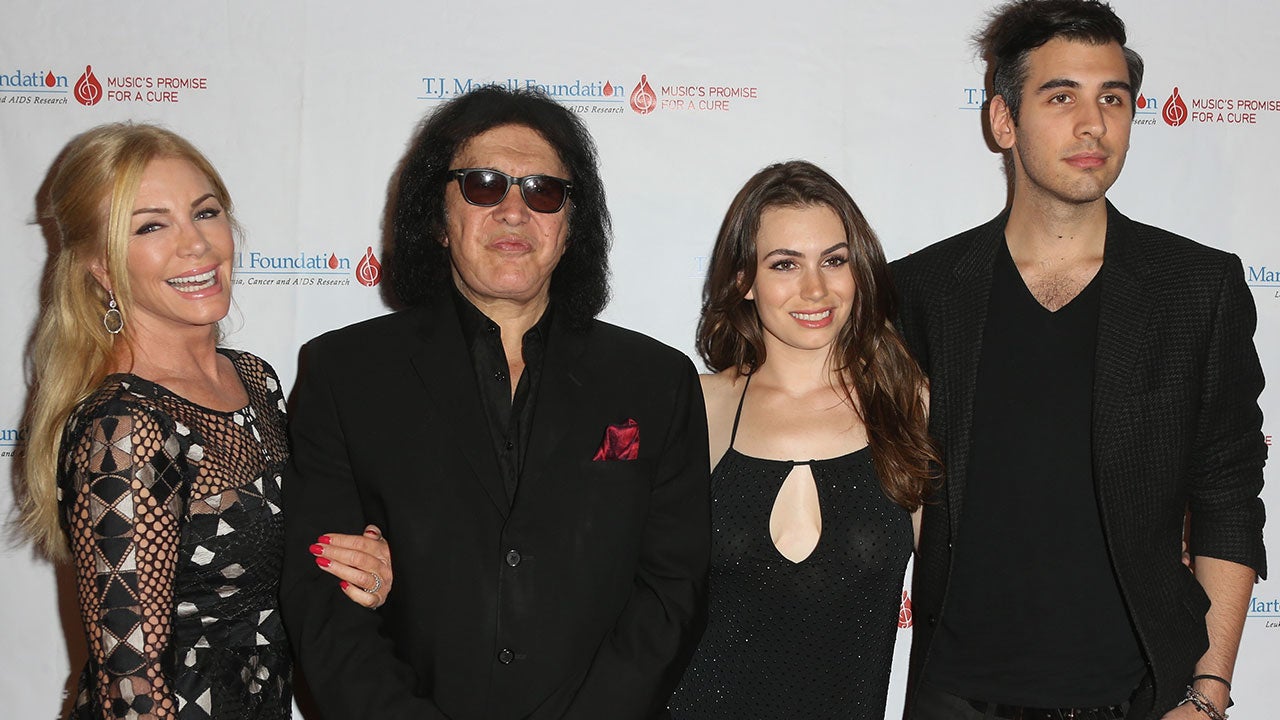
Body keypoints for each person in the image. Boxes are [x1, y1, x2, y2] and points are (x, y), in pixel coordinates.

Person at [279, 85, 710, 720]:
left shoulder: (656, 381)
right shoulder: (344, 374)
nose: (514, 211)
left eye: (543, 192)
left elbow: (672, 592)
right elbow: (324, 607)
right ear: (437, 217)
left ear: (570, 226)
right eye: (483, 186)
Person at [892, 2, 1267, 719]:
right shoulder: (922, 292)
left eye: (1113, 99)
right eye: (1061, 97)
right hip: (956, 695)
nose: (1093, 124)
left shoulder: (1197, 289)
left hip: (1136, 697)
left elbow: (1228, 496)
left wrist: (1208, 691)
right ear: (1003, 120)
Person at [17, 123, 393, 719]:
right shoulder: (125, 428)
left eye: (205, 212)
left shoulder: (254, 380)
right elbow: (132, 696)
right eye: (151, 226)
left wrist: (358, 567)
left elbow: (274, 567)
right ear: (100, 266)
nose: (195, 244)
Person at [668, 160, 938, 719]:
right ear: (743, 281)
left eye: (834, 260)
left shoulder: (909, 406)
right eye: (785, 264)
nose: (815, 289)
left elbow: (960, 597)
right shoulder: (700, 407)